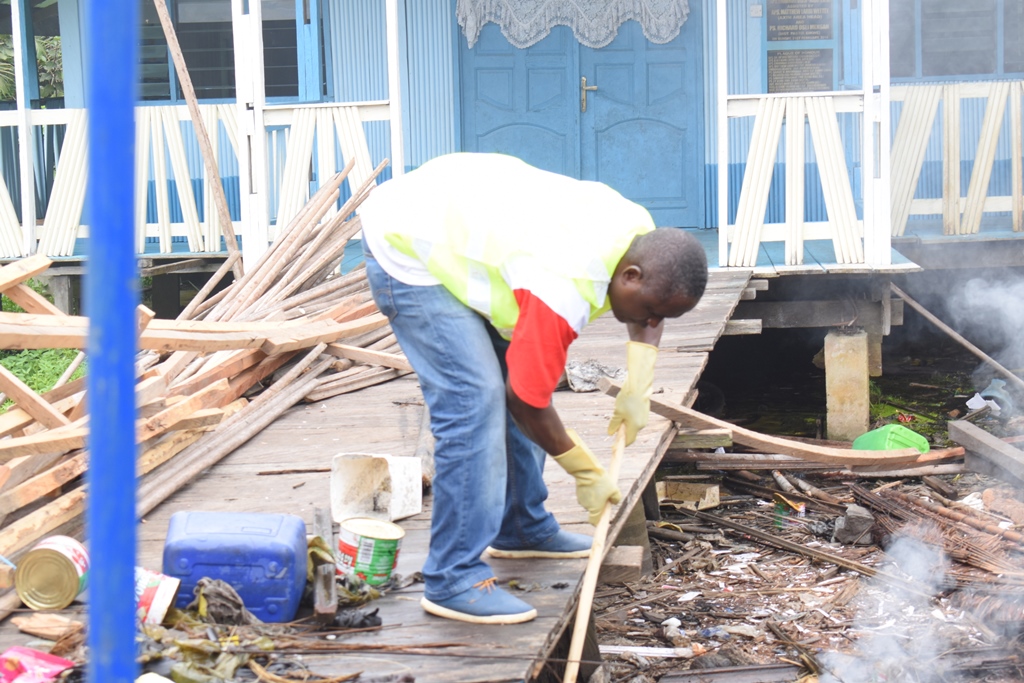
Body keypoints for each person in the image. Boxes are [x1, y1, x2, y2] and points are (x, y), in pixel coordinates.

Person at [359, 153, 708, 625]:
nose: (652, 323)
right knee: (475, 401)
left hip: (476, 229)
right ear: (629, 277)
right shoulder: (564, 285)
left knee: (516, 375)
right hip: (410, 242)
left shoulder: (640, 237)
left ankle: (522, 527)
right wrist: (584, 469)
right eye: (651, 312)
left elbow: (652, 306)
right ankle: (452, 576)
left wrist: (640, 379)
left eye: (662, 318)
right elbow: (527, 400)